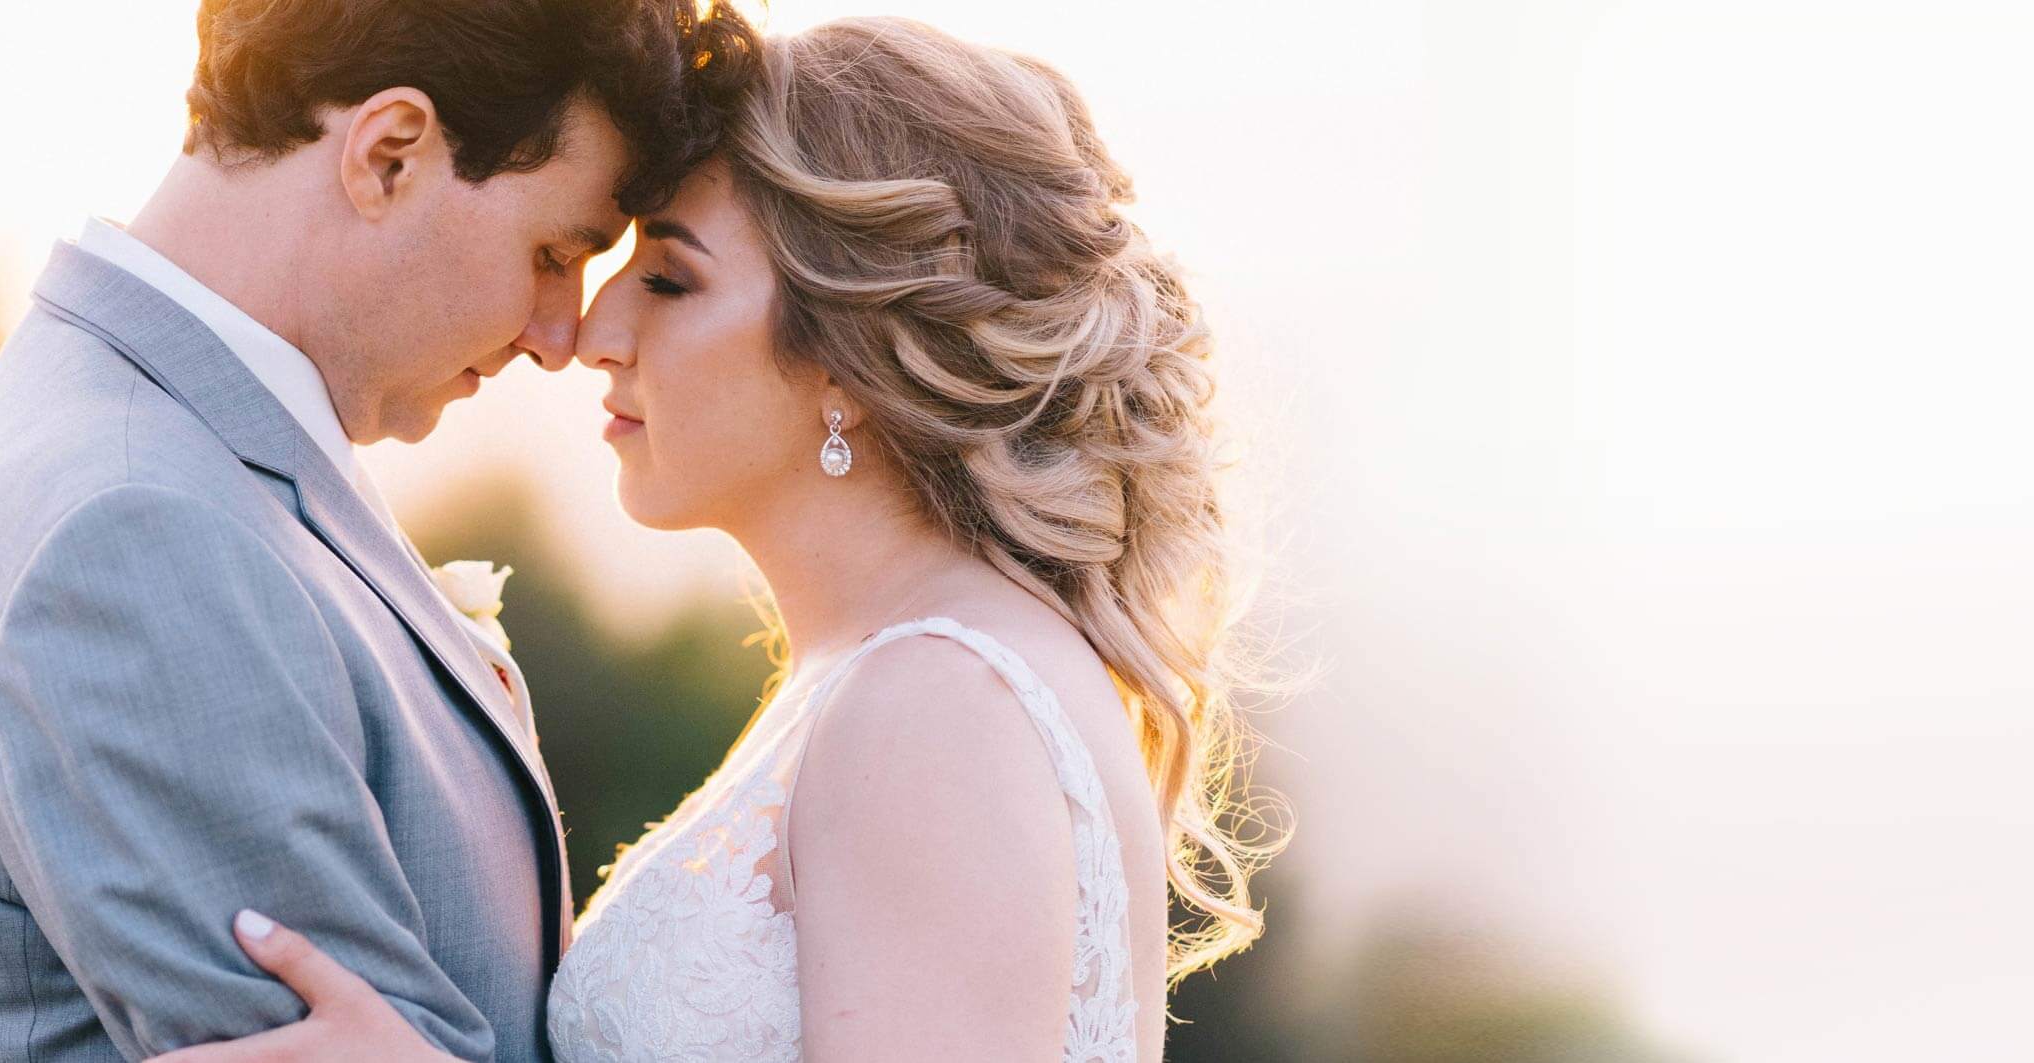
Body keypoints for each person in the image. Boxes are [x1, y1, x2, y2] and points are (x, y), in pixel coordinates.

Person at [155, 16, 1277, 1063]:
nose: (594, 332)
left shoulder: (938, 706)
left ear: (850, 348)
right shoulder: (884, 673)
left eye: (671, 278)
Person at [0, 1, 755, 1058]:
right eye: (556, 251)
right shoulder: (137, 533)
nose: (560, 338)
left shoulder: (192, 450)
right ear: (388, 155)